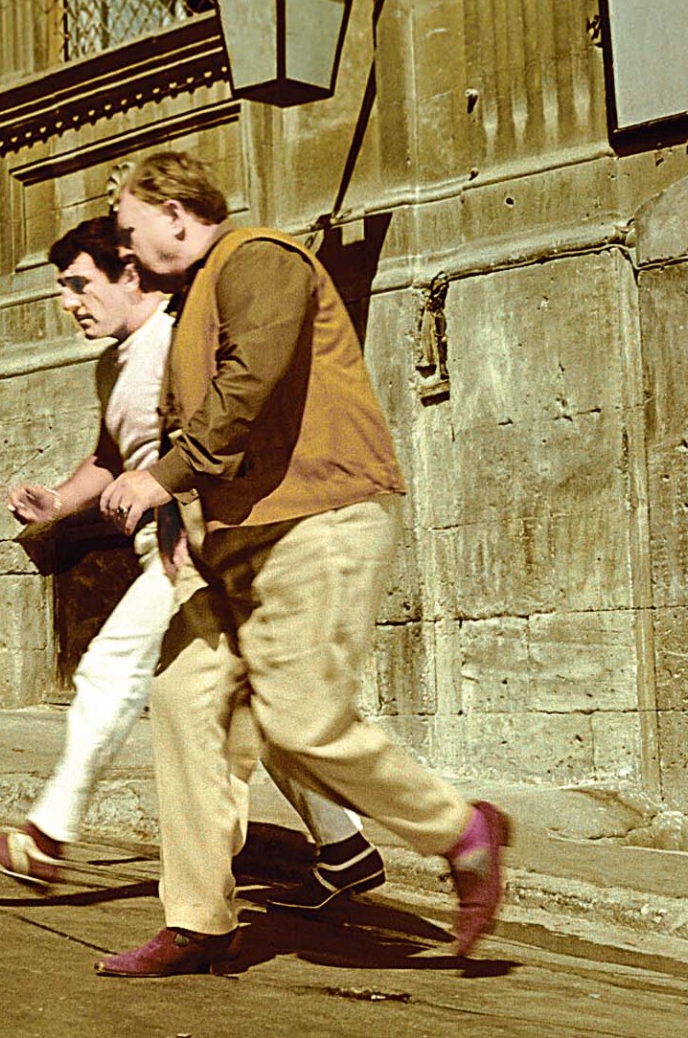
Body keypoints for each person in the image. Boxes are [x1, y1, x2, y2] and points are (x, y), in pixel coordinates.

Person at [94, 152, 508, 975]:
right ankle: (199, 919)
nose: (126, 252)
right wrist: (176, 518)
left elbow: (249, 383)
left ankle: (464, 832)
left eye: (131, 232)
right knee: (184, 695)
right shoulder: (192, 299)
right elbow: (195, 425)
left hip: (319, 519)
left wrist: (164, 476)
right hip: (237, 542)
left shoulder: (259, 258)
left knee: (302, 722)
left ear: (176, 212)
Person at [0, 217, 385, 913]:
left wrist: (195, 521)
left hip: (199, 549)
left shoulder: (177, 340)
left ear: (129, 274)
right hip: (180, 550)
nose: (67, 301)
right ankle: (345, 848)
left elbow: (225, 434)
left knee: (110, 669)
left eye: (78, 284)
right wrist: (58, 500)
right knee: (259, 706)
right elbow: (110, 457)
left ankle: (45, 839)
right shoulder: (115, 362)